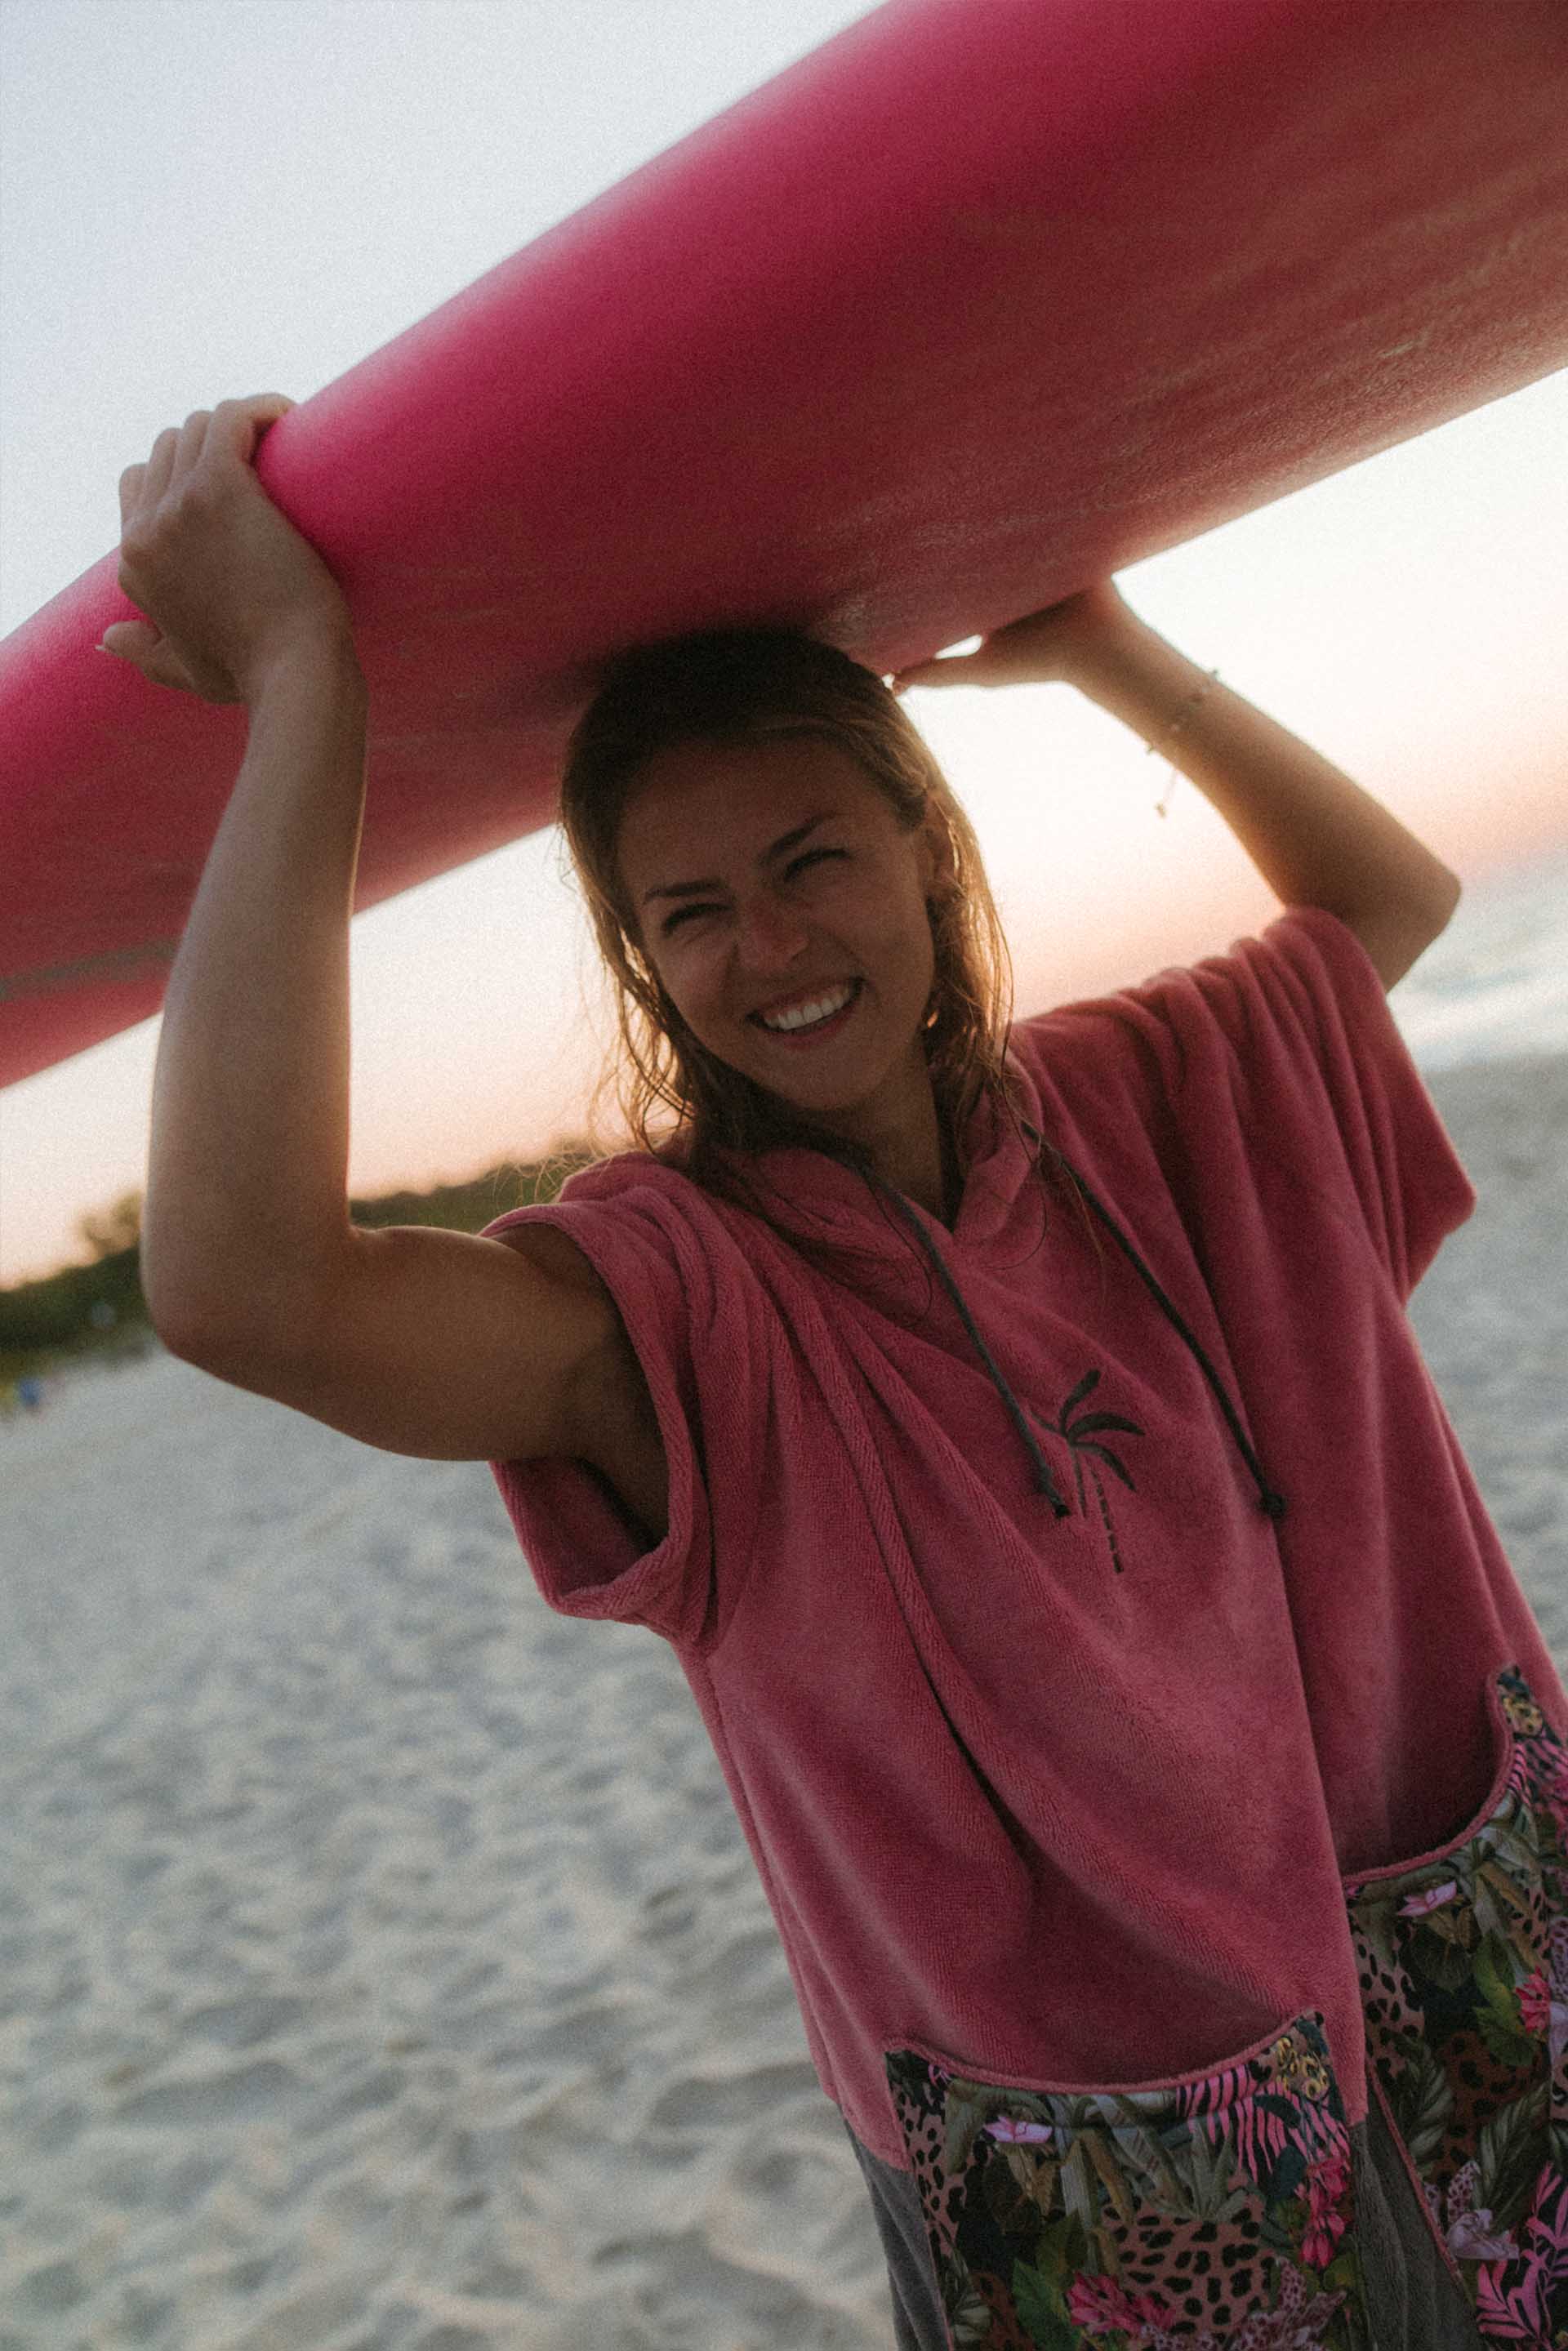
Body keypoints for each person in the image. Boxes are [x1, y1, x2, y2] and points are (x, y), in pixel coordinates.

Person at [109, 394, 1566, 2350]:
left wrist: (1106, 648)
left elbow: (1383, 910)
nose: (771, 948)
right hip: (1112, 2177)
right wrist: (305, 688)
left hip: (1449, 1961)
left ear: (928, 850)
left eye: (812, 862)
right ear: (642, 962)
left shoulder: (1143, 1099)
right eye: (690, 915)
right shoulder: (681, 1304)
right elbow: (248, 1290)